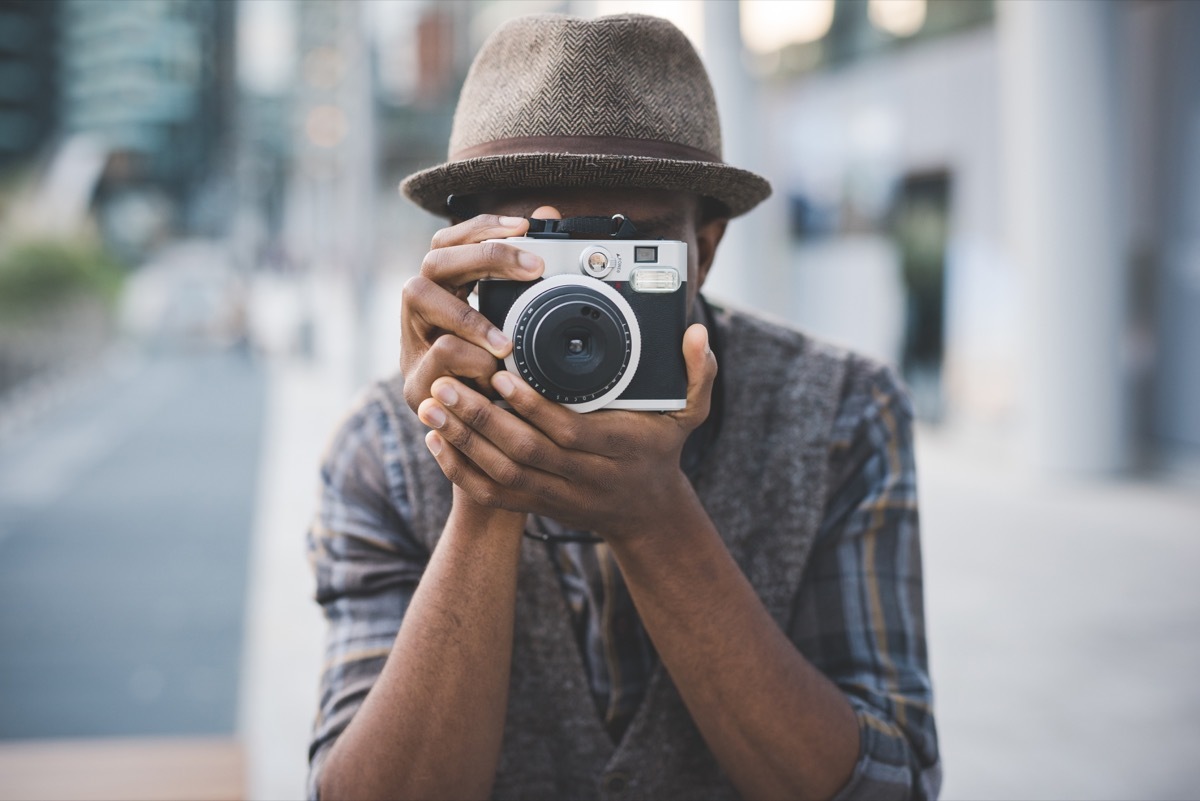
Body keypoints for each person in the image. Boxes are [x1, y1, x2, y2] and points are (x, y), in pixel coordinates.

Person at [307, 13, 940, 801]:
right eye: (545, 253)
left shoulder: (842, 413)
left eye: (619, 256)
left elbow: (890, 789)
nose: (584, 303)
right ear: (466, 252)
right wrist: (483, 485)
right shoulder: (381, 449)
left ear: (702, 252)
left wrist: (656, 520)